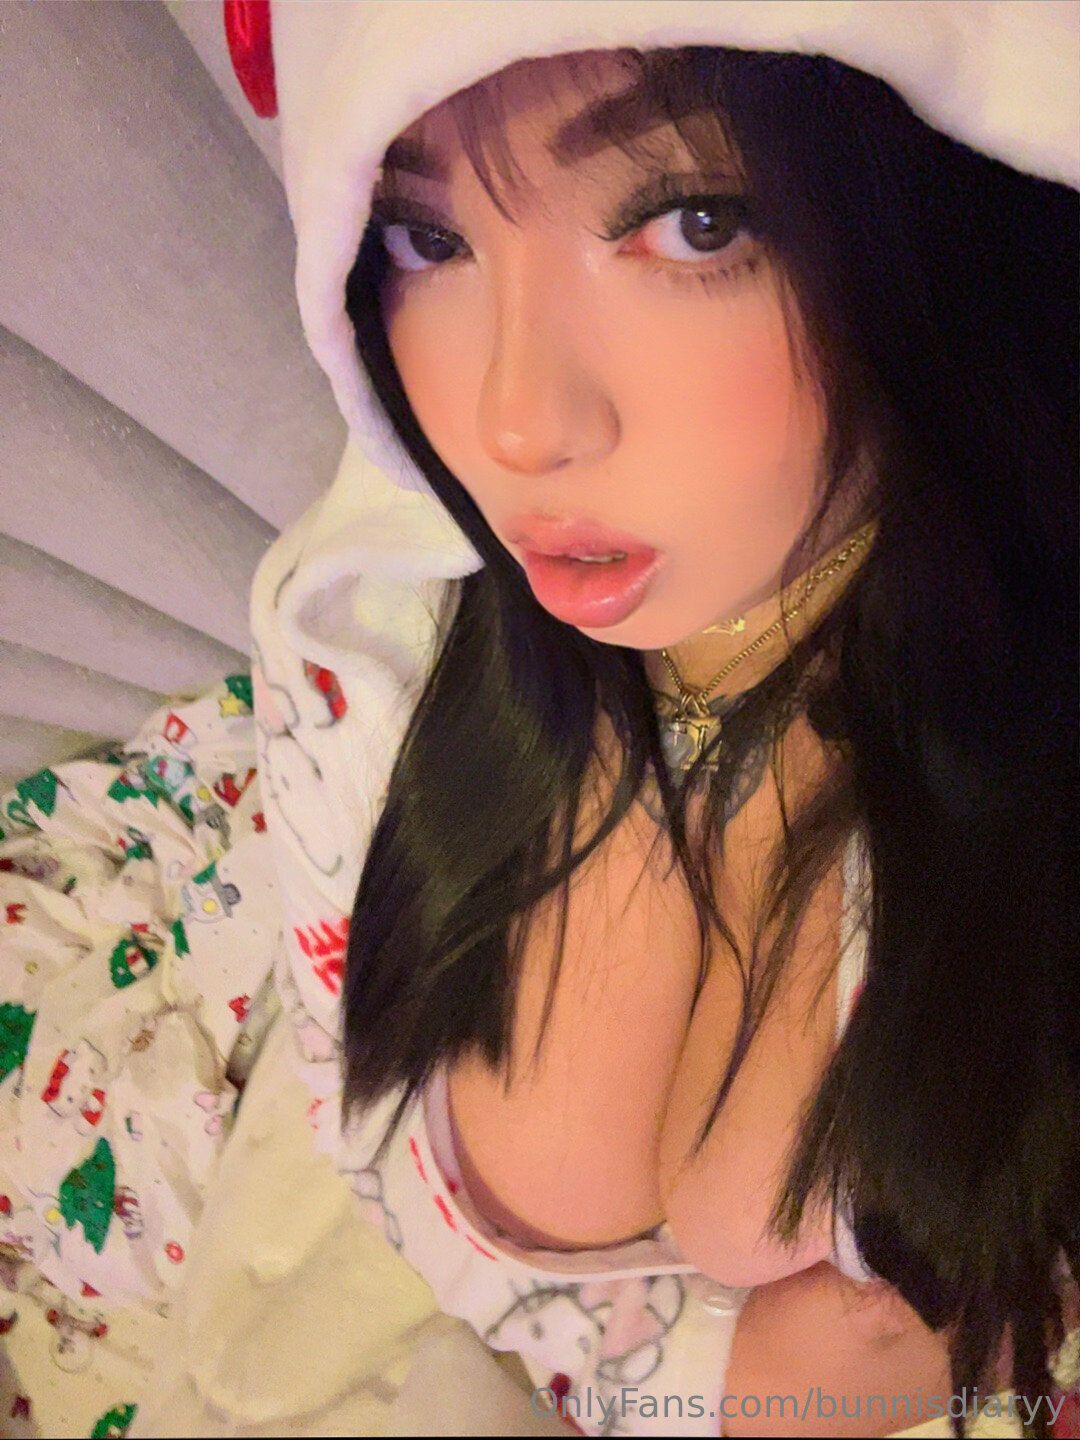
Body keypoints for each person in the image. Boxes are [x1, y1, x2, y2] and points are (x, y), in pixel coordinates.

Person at [231, 4, 1078, 1435]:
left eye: (694, 223)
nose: (517, 424)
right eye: (426, 239)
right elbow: (363, 1126)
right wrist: (731, 1396)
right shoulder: (367, 634)